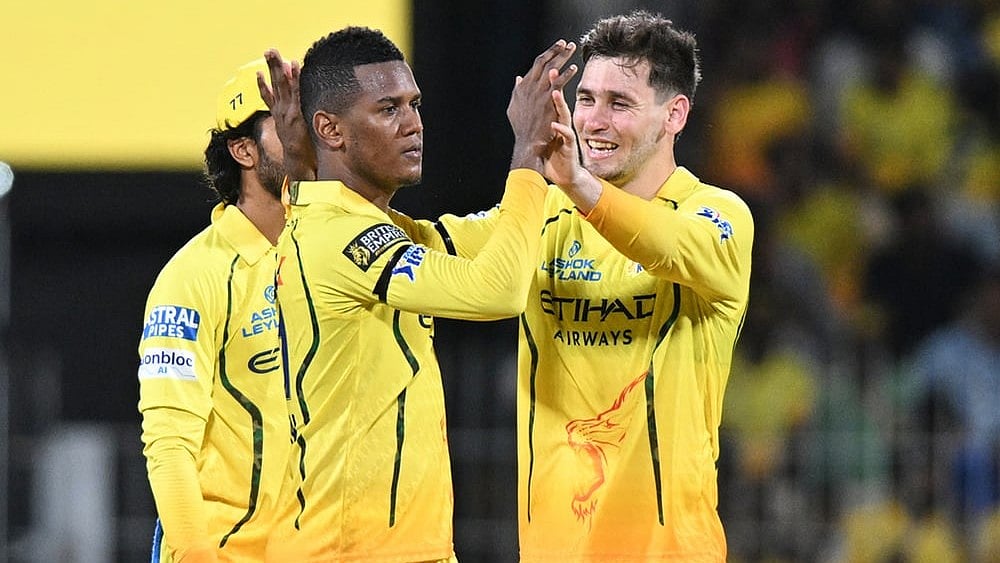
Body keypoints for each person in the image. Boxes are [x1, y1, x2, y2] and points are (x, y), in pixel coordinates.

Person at [265, 27, 577, 561]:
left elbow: (509, 229)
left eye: (414, 104)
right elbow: (499, 292)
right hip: (356, 552)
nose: (413, 124)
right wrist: (525, 151)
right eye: (388, 109)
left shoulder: (366, 226)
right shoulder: (341, 238)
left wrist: (583, 177)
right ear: (330, 129)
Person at [137, 58, 291, 562]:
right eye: (284, 122)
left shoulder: (326, 256)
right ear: (243, 150)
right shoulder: (193, 277)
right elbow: (169, 444)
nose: (306, 137)